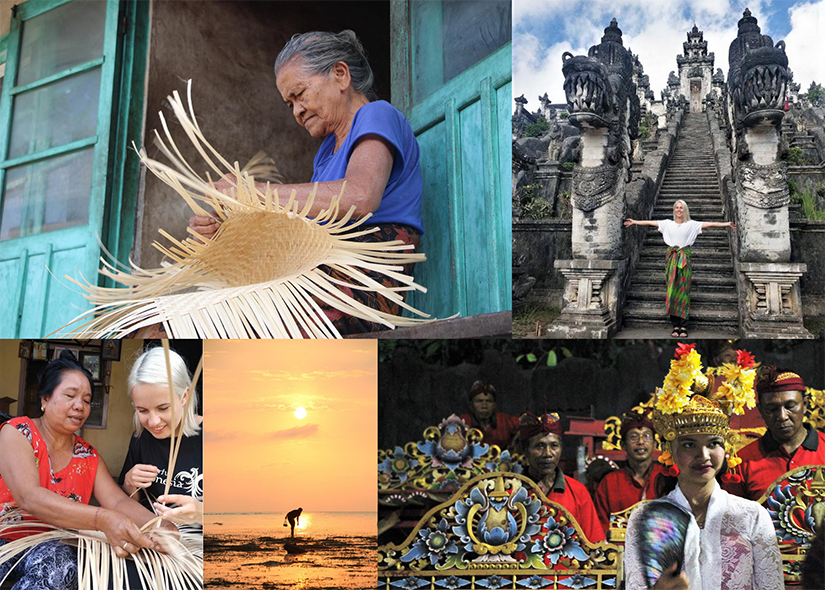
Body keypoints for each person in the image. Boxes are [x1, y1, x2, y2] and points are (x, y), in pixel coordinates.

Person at [189, 29, 423, 334]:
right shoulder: (326, 154)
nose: (297, 111)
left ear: (340, 75)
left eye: (299, 94)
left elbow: (360, 195)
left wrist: (255, 193)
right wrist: (226, 234)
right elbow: (306, 229)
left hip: (366, 275)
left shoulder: (377, 114)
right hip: (324, 265)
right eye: (290, 104)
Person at [0, 351, 170, 588]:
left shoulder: (88, 456)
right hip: (3, 540)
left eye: (87, 400)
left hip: (47, 547)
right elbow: (29, 496)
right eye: (70, 396)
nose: (79, 406)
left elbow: (118, 503)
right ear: (45, 399)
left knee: (63, 565)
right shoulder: (18, 432)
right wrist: (102, 519)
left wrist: (161, 527)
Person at [624, 344, 783, 590]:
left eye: (713, 443)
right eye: (689, 444)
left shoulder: (751, 516)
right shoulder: (645, 518)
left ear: (727, 447)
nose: (703, 455)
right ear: (670, 450)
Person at [624, 200, 735, 338]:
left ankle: (683, 326)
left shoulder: (692, 225)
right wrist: (634, 222)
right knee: (672, 290)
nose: (679, 210)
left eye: (681, 208)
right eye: (676, 207)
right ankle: (675, 325)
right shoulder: (667, 224)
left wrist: (726, 224)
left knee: (683, 290)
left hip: (685, 259)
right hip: (671, 260)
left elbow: (709, 224)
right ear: (674, 210)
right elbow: (649, 222)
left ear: (685, 210)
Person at [120, 347, 203, 526]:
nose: (153, 422)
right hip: (154, 542)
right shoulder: (140, 438)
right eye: (142, 410)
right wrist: (129, 483)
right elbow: (128, 506)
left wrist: (202, 514)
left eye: (163, 408)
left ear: (184, 397)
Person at [724, 367, 825, 501]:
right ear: (760, 410)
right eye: (772, 409)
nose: (782, 416)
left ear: (805, 404)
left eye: (790, 406)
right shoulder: (741, 464)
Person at [518, 412, 605, 543]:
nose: (548, 454)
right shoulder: (511, 491)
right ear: (525, 450)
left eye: (554, 446)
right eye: (539, 446)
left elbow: (594, 543)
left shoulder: (578, 491)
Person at [594, 412, 663, 534]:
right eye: (634, 437)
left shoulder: (666, 478)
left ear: (654, 445)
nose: (641, 442)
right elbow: (600, 529)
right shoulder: (609, 483)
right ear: (623, 445)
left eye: (646, 436)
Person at [458, 381, 519, 450]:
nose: (484, 406)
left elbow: (528, 423)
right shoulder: (463, 422)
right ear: (471, 405)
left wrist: (516, 444)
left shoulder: (505, 420)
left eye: (488, 401)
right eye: (479, 401)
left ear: (494, 405)